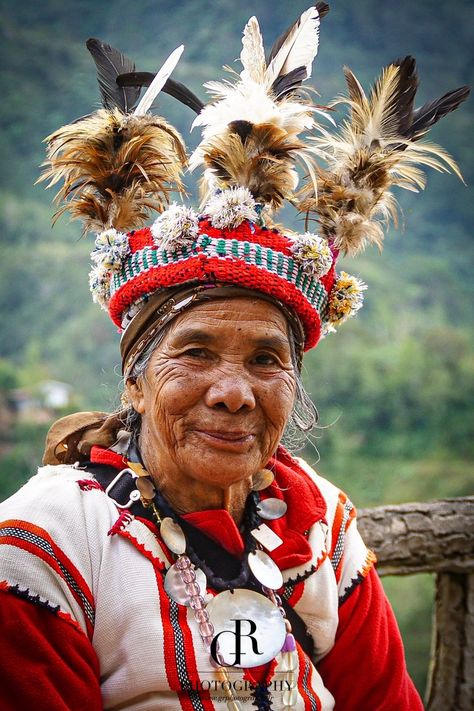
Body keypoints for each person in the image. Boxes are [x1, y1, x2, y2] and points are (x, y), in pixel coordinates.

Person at [0, 6, 468, 710]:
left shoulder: (316, 521)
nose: (233, 391)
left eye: (265, 360)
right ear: (134, 378)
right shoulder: (48, 543)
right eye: (195, 352)